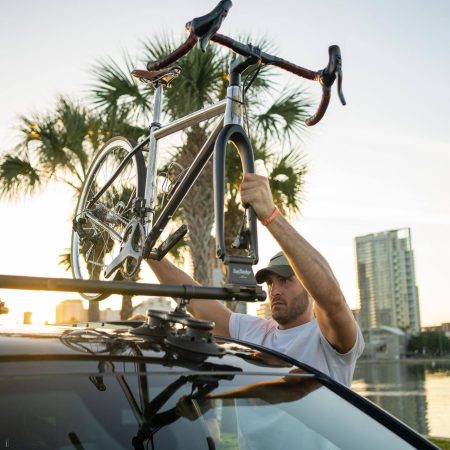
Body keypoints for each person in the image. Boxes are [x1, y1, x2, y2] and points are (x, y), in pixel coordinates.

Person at [146, 173, 364, 387]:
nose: (275, 290)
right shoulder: (254, 331)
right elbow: (195, 301)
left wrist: (270, 215)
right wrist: (147, 253)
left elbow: (333, 301)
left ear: (308, 287)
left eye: (285, 280)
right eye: (270, 282)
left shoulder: (326, 339)